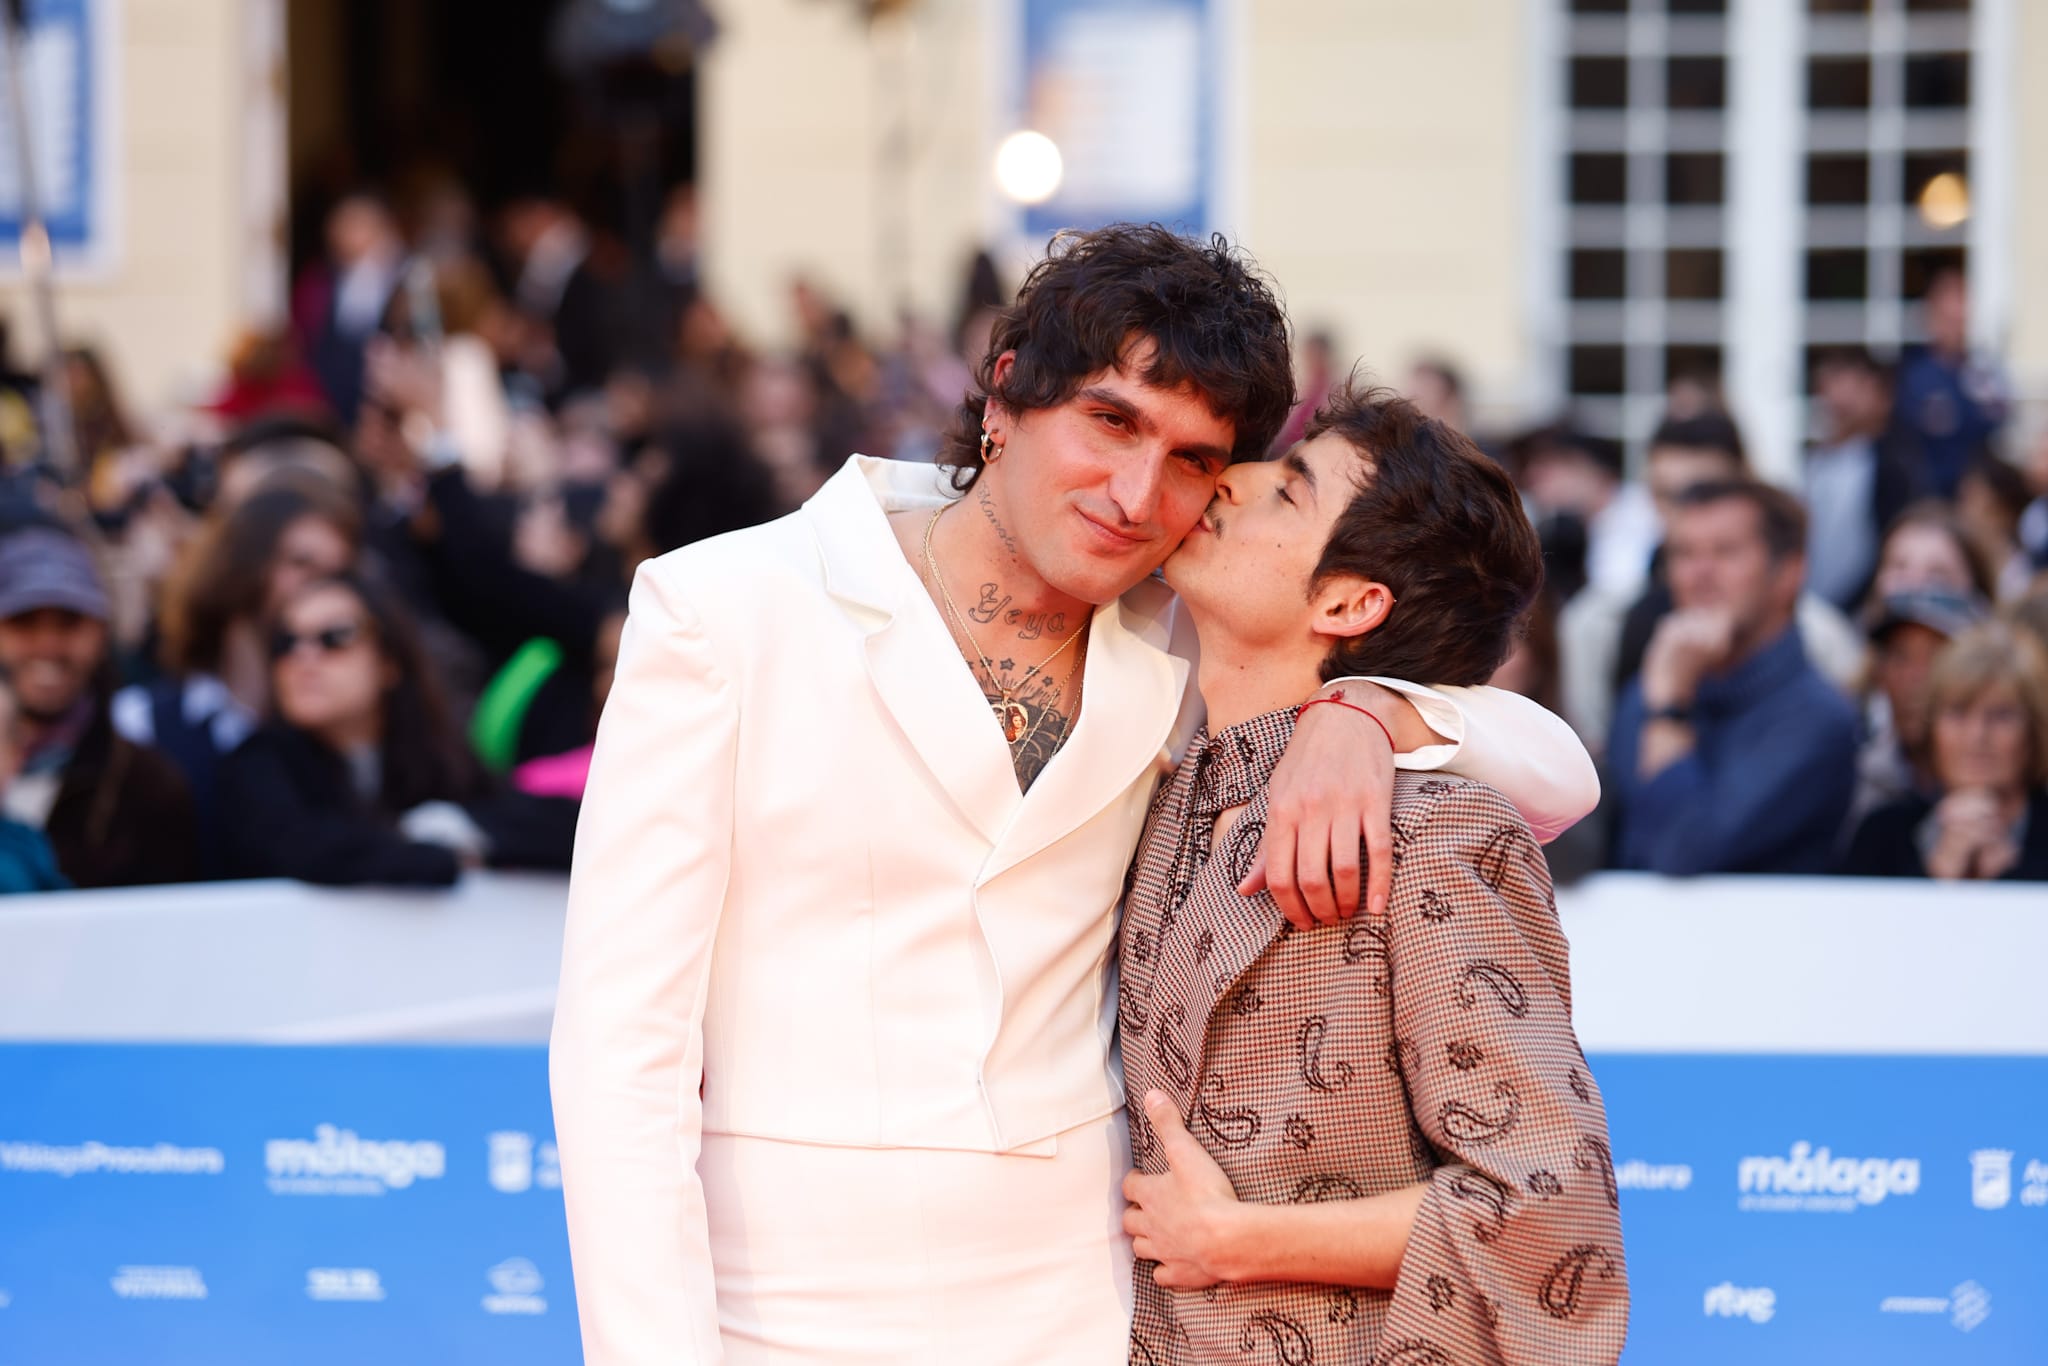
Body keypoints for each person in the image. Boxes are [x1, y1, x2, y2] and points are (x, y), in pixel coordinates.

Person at [549, 225, 1599, 1365]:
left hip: (1090, 1310)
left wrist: (1366, 714)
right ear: (1004, 392)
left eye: (1194, 459)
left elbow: (1557, 764)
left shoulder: (1183, 632)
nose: (1138, 494)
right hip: (784, 1309)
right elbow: (620, 1049)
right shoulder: (727, 607)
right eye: (1111, 422)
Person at [1118, 385, 1626, 1364]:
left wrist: (1240, 1241)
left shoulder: (1435, 831)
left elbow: (1550, 1206)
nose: (1231, 478)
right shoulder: (1159, 793)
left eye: (1289, 489)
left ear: (1350, 600)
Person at [216, 571, 574, 886]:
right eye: (286, 643)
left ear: (389, 660)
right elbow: (301, 846)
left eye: (335, 637)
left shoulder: (435, 756)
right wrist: (427, 852)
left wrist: (464, 827)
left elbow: (564, 827)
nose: (304, 658)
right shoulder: (257, 762)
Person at [1609, 480, 1860, 874]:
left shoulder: (1819, 718)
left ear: (1789, 574)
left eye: (1725, 552)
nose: (1700, 574)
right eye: (1684, 553)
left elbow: (1682, 852)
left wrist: (1670, 712)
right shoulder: (1646, 692)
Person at [113, 479, 361, 874]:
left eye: (335, 573)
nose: (318, 587)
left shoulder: (343, 729)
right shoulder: (139, 721)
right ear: (243, 563)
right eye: (300, 563)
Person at [0, 526, 195, 888]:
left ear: (102, 633)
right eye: (24, 622)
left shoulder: (149, 790)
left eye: (69, 623)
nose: (48, 645)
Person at [1841, 622, 2048, 880]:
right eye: (1958, 713)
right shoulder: (1881, 835)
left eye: (2000, 715)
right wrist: (1937, 872)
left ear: (2034, 731)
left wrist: (2010, 877)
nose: (1977, 736)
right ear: (1931, 726)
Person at [1850, 590, 1985, 832]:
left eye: (1936, 657)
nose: (1914, 678)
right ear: (1879, 674)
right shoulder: (1854, 778)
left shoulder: (2013, 786)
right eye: (1899, 657)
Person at [1802, 347, 1922, 611]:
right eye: (1832, 382)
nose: (1840, 397)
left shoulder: (1891, 465)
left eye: (1856, 385)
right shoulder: (1816, 460)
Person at [1892, 266, 2008, 500]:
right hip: (1925, 493)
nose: (1956, 324)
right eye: (1948, 316)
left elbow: (1997, 420)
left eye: (1961, 316)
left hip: (1976, 494)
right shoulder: (1915, 374)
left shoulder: (1982, 370)